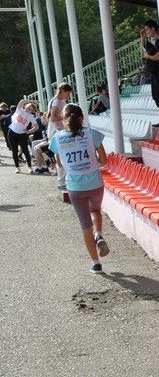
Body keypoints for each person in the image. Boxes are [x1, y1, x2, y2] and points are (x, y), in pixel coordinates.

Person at [48, 104, 110, 274]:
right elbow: (104, 161)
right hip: (95, 183)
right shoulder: (92, 134)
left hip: (75, 187)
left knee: (85, 224)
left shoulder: (57, 137)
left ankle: (96, 263)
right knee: (96, 210)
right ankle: (99, 234)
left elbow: (60, 164)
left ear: (64, 118)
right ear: (82, 117)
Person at [141, 19, 159, 125]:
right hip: (154, 72)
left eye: (147, 30)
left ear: (153, 28)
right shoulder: (151, 41)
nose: (146, 32)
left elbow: (158, 57)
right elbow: (142, 51)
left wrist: (148, 56)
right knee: (156, 96)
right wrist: (142, 37)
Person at [7, 100, 39, 173]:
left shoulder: (31, 116)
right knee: (14, 151)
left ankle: (30, 167)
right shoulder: (19, 110)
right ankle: (17, 167)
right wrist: (32, 101)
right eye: (28, 107)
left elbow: (36, 127)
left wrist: (28, 132)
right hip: (12, 132)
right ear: (25, 106)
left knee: (26, 151)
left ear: (32, 111)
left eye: (30, 109)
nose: (28, 109)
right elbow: (22, 101)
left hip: (22, 134)